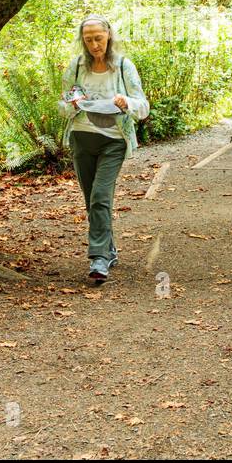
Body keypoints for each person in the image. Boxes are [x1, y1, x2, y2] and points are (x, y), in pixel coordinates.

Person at [57, 15, 150, 283]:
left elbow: (142, 107)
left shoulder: (123, 66)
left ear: (109, 36)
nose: (95, 45)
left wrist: (126, 103)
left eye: (98, 38)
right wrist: (73, 104)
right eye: (88, 40)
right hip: (81, 138)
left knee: (100, 195)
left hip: (113, 139)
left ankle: (98, 257)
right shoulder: (76, 67)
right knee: (92, 200)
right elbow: (63, 105)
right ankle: (108, 250)